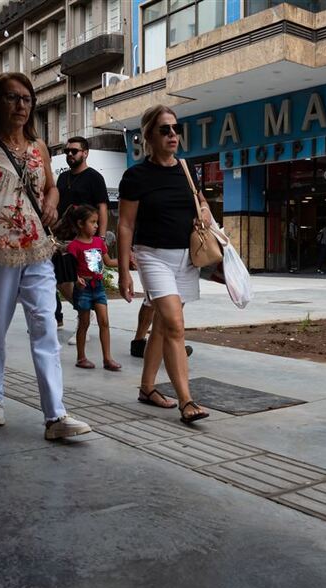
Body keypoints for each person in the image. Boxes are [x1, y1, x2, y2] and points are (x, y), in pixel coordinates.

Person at [0, 72, 90, 441]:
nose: (21, 106)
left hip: (36, 250)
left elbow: (51, 188)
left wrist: (50, 201)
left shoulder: (39, 148)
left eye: (27, 99)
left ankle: (55, 415)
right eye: (12, 98)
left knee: (45, 325)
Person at [118, 105, 211, 424]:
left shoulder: (187, 168)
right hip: (152, 255)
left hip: (186, 257)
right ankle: (187, 401)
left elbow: (199, 200)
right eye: (165, 130)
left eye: (176, 128)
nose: (173, 134)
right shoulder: (136, 176)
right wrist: (123, 273)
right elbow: (126, 225)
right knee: (174, 324)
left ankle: (147, 388)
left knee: (162, 324)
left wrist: (205, 209)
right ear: (148, 136)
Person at [54, 135, 108, 330]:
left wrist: (100, 238)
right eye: (67, 151)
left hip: (88, 240)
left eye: (74, 151)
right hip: (64, 239)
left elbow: (102, 208)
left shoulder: (95, 177)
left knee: (92, 281)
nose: (69, 154)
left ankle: (87, 316)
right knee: (63, 280)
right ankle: (84, 312)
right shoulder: (62, 177)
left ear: (85, 153)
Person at [63, 204, 121, 370]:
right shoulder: (74, 246)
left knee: (104, 322)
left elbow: (108, 261)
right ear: (81, 224)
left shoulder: (98, 242)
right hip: (84, 289)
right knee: (84, 323)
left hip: (98, 287)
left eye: (97, 222)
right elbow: (70, 269)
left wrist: (125, 262)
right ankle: (81, 358)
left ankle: (107, 358)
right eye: (93, 222)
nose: (96, 226)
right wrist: (76, 279)